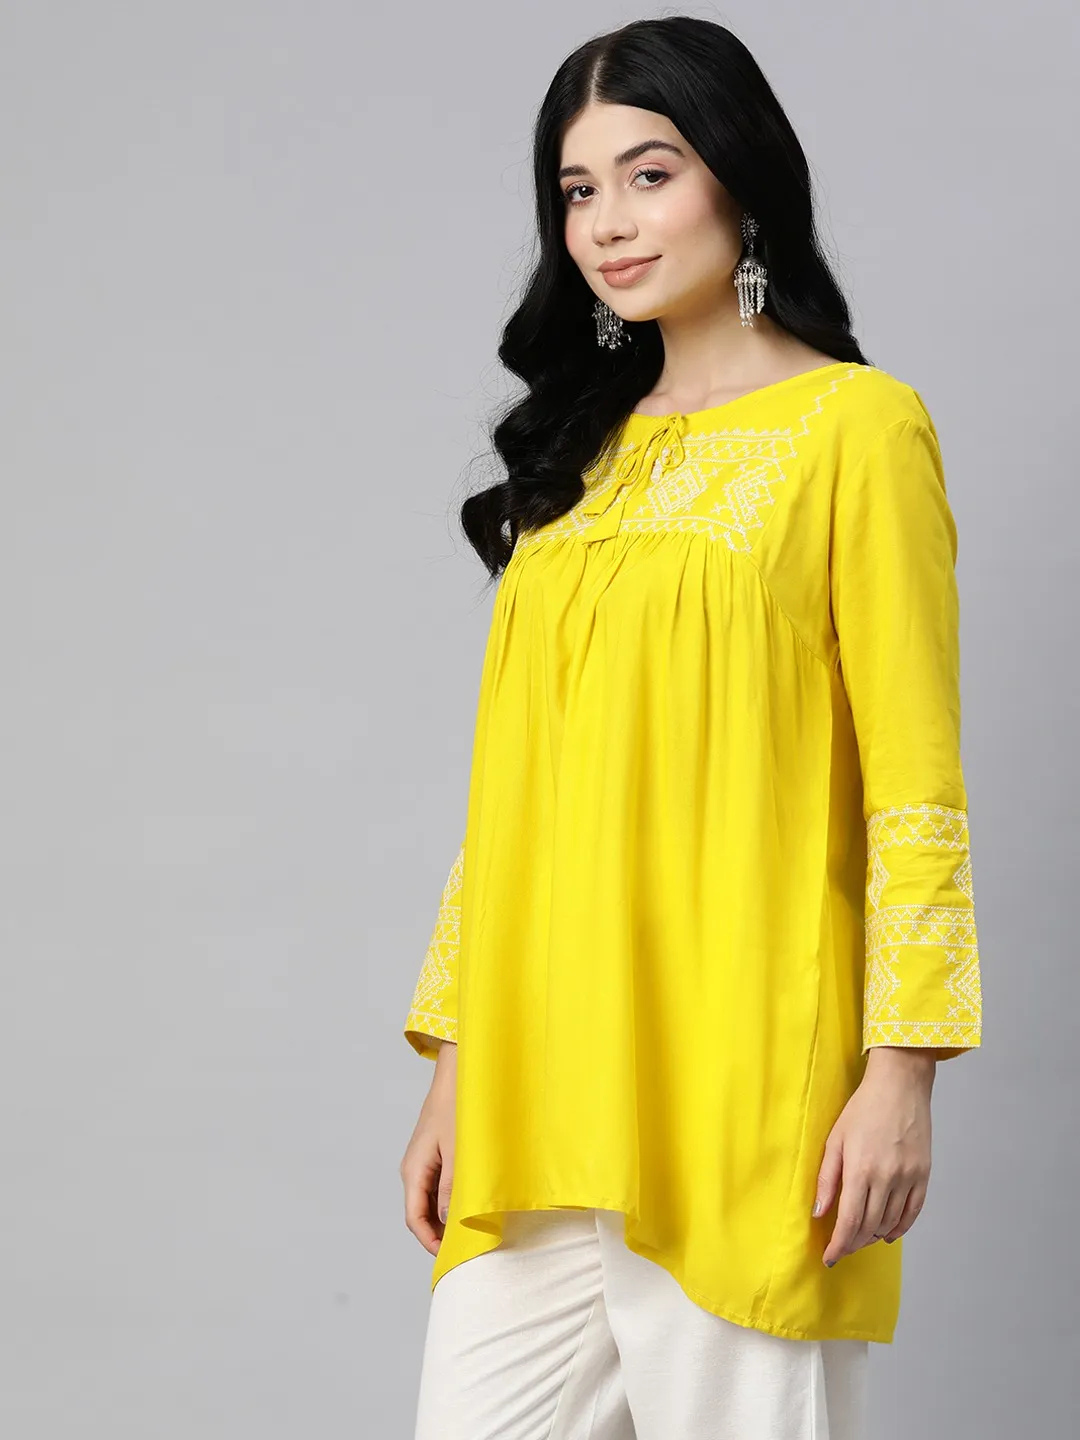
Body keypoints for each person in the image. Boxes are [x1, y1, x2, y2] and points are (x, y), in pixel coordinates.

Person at [398, 16, 983, 1440]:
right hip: (541, 1087)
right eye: (577, 190)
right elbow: (520, 795)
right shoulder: (576, 459)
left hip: (745, 1086)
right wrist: (459, 1066)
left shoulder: (858, 428)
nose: (606, 222)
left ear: (741, 178)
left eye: (648, 174)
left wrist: (901, 1072)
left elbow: (914, 780)